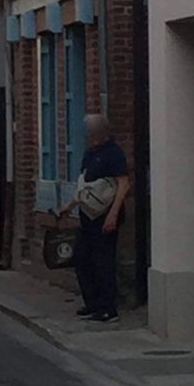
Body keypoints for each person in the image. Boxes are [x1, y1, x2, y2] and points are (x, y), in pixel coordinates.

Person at [58, 114, 130, 323]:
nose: (88, 134)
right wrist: (69, 205)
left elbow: (123, 184)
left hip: (105, 215)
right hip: (88, 214)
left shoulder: (113, 153)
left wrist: (113, 215)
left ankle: (108, 308)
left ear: (101, 131)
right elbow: (84, 187)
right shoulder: (90, 153)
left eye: (91, 130)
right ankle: (92, 303)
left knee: (104, 261)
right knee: (82, 258)